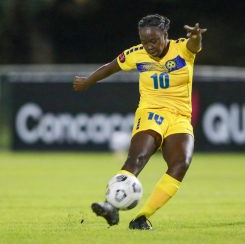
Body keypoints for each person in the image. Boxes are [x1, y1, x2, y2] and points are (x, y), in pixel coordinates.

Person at [73, 14, 207, 230]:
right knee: (138, 158)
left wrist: (196, 36)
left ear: (166, 34)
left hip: (180, 117)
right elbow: (111, 67)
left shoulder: (182, 48)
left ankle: (141, 218)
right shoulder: (136, 54)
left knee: (180, 163)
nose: (149, 46)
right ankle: (110, 206)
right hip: (151, 112)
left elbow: (194, 45)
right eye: (145, 41)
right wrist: (88, 81)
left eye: (153, 40)